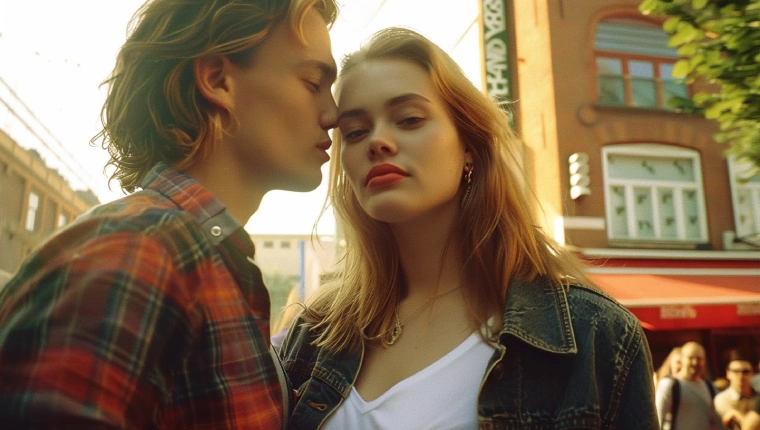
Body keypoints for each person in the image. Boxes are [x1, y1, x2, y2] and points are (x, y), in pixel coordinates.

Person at [279, 27, 658, 429]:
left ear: (469, 148)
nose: (379, 142)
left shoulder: (592, 336)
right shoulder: (316, 333)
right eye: (355, 132)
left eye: (408, 119)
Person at [0, 0, 338, 427]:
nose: (334, 114)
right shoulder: (137, 252)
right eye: (313, 82)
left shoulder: (209, 265)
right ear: (218, 81)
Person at [655, 341, 723, 430]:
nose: (695, 363)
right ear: (682, 359)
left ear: (704, 361)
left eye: (699, 359)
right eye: (690, 358)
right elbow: (658, 420)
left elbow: (718, 420)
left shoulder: (710, 387)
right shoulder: (670, 385)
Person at [713, 350, 760, 430]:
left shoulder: (758, 397)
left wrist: (736, 414)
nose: (740, 377)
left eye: (745, 372)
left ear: (752, 373)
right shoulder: (722, 399)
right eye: (735, 371)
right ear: (728, 373)